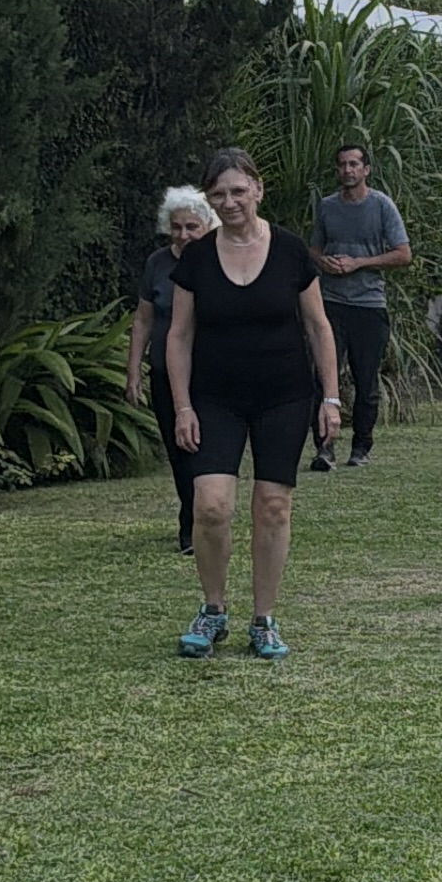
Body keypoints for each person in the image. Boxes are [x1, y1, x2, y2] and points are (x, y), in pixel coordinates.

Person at [165, 147, 344, 660]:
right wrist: (183, 406)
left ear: (258, 190)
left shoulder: (290, 252)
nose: (229, 202)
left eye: (238, 191)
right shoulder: (196, 258)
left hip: (283, 396)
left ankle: (263, 619)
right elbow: (178, 336)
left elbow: (318, 326)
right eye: (218, 194)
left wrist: (330, 397)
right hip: (214, 399)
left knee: (272, 506)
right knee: (212, 506)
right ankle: (213, 610)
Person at [310, 140, 412, 472]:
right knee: (324, 377)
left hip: (369, 304)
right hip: (330, 303)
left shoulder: (382, 206)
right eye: (342, 165)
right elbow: (314, 248)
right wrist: (324, 263)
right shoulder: (326, 207)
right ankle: (324, 449)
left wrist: (360, 263)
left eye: (354, 164)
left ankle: (361, 447)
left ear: (366, 169)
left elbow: (402, 254)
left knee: (366, 380)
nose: (347, 170)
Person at [126, 185, 214, 552]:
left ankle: (203, 518)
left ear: (207, 226)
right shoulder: (157, 264)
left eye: (192, 227)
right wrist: (133, 371)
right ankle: (190, 519)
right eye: (177, 227)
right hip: (165, 370)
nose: (184, 235)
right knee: (179, 449)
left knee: (206, 450)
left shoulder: (219, 259)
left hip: (211, 371)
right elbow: (143, 318)